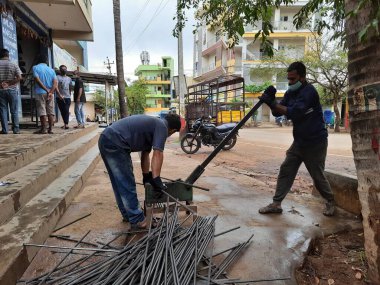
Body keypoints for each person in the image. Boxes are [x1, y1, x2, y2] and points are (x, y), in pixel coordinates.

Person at [258, 61, 335, 216]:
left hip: (315, 142)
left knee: (317, 175)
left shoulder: (309, 92)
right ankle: (276, 203)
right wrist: (272, 100)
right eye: (288, 79)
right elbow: (277, 113)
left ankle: (330, 201)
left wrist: (272, 103)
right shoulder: (290, 92)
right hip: (299, 142)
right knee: (286, 169)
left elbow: (294, 113)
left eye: (292, 79)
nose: (290, 82)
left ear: (302, 77)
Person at [98, 114, 182, 228]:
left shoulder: (153, 125)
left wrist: (146, 175)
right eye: (171, 134)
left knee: (119, 183)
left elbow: (145, 154)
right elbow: (158, 153)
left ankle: (129, 214)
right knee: (126, 182)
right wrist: (156, 179)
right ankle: (137, 220)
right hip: (115, 140)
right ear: (172, 130)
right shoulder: (162, 126)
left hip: (106, 138)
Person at [32, 54, 58, 134]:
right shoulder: (51, 70)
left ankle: (43, 129)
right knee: (50, 111)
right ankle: (50, 129)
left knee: (42, 111)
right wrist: (51, 92)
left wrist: (46, 90)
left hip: (40, 92)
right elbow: (55, 82)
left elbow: (37, 79)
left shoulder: (35, 67)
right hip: (50, 93)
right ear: (46, 61)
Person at [0, 49, 22, 134]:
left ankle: (5, 130)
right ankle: (16, 130)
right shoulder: (13, 64)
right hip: (12, 90)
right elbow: (19, 77)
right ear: (8, 55)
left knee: (3, 110)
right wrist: (9, 83)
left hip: (1, 91)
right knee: (14, 111)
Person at [56, 65, 72, 129]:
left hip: (67, 97)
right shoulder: (57, 77)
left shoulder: (69, 78)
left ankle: (66, 124)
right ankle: (65, 123)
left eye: (65, 69)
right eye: (62, 69)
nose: (64, 70)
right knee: (62, 111)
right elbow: (55, 86)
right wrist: (59, 94)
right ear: (60, 70)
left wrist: (69, 94)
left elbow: (70, 87)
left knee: (66, 110)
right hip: (59, 97)